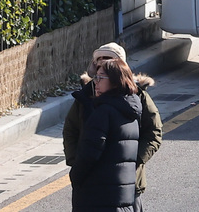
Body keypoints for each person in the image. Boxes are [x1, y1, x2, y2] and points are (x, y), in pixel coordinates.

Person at [63, 44, 161, 212]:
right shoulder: (85, 97)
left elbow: (154, 133)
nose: (103, 66)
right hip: (92, 183)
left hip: (129, 184)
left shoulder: (136, 97)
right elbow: (71, 131)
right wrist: (75, 160)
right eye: (99, 62)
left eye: (109, 62)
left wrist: (131, 162)